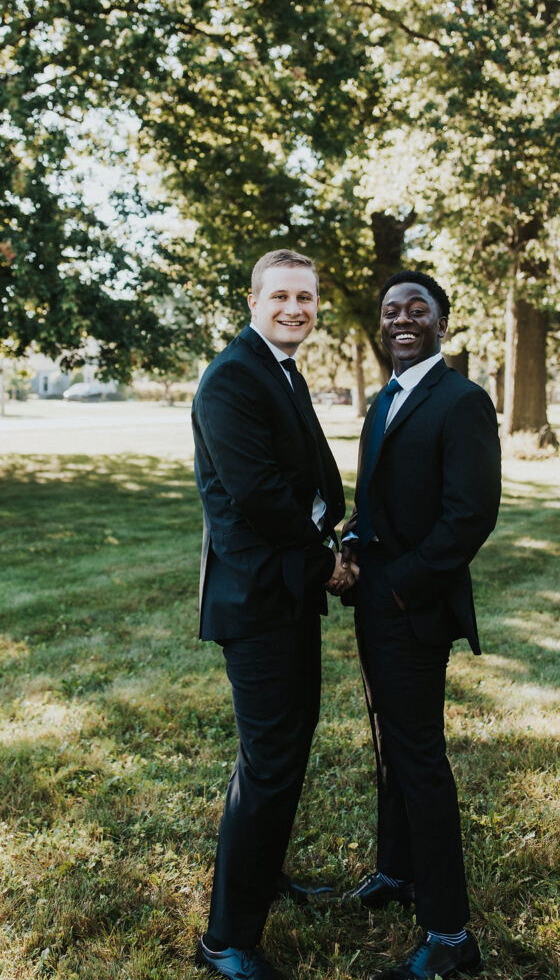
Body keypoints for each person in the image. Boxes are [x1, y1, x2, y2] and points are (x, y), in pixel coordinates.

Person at [191, 249, 356, 980]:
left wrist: (330, 526)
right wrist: (325, 560)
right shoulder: (231, 378)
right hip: (257, 599)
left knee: (283, 751)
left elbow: (310, 477)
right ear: (252, 300)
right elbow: (258, 496)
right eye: (281, 295)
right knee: (270, 760)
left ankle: (260, 876)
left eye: (306, 297)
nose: (296, 307)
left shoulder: (279, 370)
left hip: (285, 590)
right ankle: (226, 939)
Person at [341, 270, 501, 980]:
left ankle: (448, 934)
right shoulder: (385, 398)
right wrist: (352, 539)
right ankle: (398, 873)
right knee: (389, 747)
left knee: (420, 759)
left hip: (413, 607)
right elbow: (379, 499)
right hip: (372, 599)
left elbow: (469, 515)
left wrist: (400, 587)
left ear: (441, 322)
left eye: (417, 309)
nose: (401, 318)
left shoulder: (462, 400)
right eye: (391, 311)